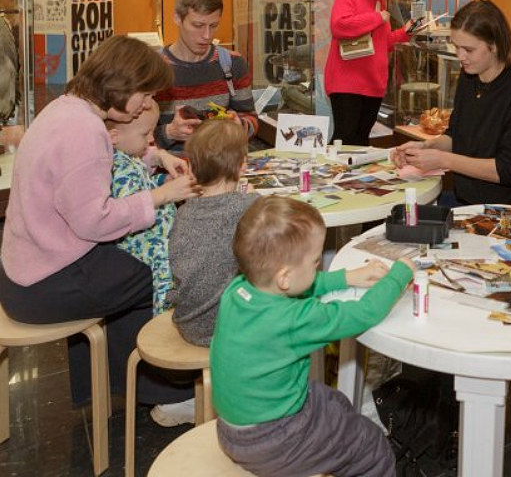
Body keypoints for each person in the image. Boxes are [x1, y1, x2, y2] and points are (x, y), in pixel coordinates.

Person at [0, 35, 199, 414]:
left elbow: (103, 165)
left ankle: (107, 385)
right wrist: (162, 195)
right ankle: (167, 396)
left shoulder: (65, 108)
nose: (146, 105)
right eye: (144, 95)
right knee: (163, 271)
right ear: (122, 87)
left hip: (21, 273)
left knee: (126, 268)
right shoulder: (84, 130)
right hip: (45, 285)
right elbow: (96, 222)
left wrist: (156, 157)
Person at [211, 196, 415, 476]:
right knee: (372, 445)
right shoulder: (294, 319)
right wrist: (400, 274)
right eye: (316, 261)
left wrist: (346, 277)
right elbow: (363, 313)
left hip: (232, 429)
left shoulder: (237, 290)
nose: (318, 266)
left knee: (330, 400)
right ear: (284, 277)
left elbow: (297, 283)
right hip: (276, 441)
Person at [391, 0, 511, 208]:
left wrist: (442, 160)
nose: (460, 56)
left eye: (468, 50)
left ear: (494, 46)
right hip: (470, 204)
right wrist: (424, 148)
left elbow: (509, 170)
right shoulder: (469, 78)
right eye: (456, 47)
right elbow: (455, 136)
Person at [168, 118, 258, 347]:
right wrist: (252, 198)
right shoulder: (249, 206)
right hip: (230, 327)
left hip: (188, 324)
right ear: (242, 165)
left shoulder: (183, 211)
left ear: (191, 168)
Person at [154, 0, 258, 151]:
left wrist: (238, 126)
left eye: (214, 26)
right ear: (177, 18)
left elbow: (251, 119)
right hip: (169, 166)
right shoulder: (152, 69)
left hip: (221, 163)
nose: (207, 35)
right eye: (198, 25)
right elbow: (128, 139)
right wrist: (169, 133)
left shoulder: (233, 64)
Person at [325, 0, 415, 146]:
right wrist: (377, 18)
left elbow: (382, 43)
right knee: (345, 138)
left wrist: (405, 33)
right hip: (347, 82)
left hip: (373, 83)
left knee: (361, 140)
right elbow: (339, 26)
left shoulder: (380, 4)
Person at [107, 99, 176, 316]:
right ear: (115, 137)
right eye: (145, 134)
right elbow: (130, 205)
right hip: (142, 240)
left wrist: (162, 181)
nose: (152, 139)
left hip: (152, 232)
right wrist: (166, 193)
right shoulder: (121, 166)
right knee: (166, 262)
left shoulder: (129, 158)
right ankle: (165, 315)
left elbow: (142, 186)